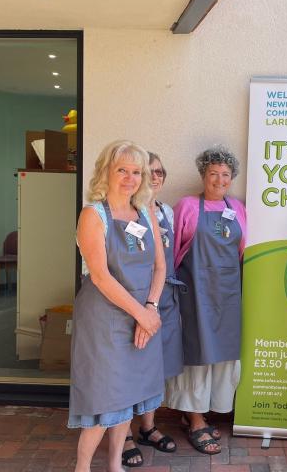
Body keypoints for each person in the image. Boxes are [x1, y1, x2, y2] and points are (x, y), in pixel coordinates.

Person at [68, 140, 166, 472]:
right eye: (121, 170)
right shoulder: (93, 215)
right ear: (105, 172)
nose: (129, 178)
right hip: (105, 321)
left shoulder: (145, 212)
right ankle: (82, 468)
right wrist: (142, 314)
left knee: (127, 396)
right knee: (103, 399)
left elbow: (160, 268)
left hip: (141, 317)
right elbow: (100, 277)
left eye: (136, 172)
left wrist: (150, 308)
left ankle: (115, 465)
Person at [164, 145, 247, 455]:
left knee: (222, 355)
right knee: (196, 354)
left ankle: (200, 414)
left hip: (226, 294)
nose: (219, 179)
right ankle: (196, 420)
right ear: (203, 175)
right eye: (213, 173)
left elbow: (241, 251)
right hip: (194, 292)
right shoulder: (186, 206)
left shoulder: (237, 208)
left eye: (225, 175)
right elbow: (172, 253)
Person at [121, 153, 180, 465]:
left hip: (162, 298)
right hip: (132, 299)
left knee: (155, 366)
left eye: (159, 172)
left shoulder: (166, 211)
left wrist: (155, 303)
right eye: (149, 172)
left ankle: (148, 427)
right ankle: (125, 434)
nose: (155, 177)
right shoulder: (123, 211)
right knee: (131, 365)